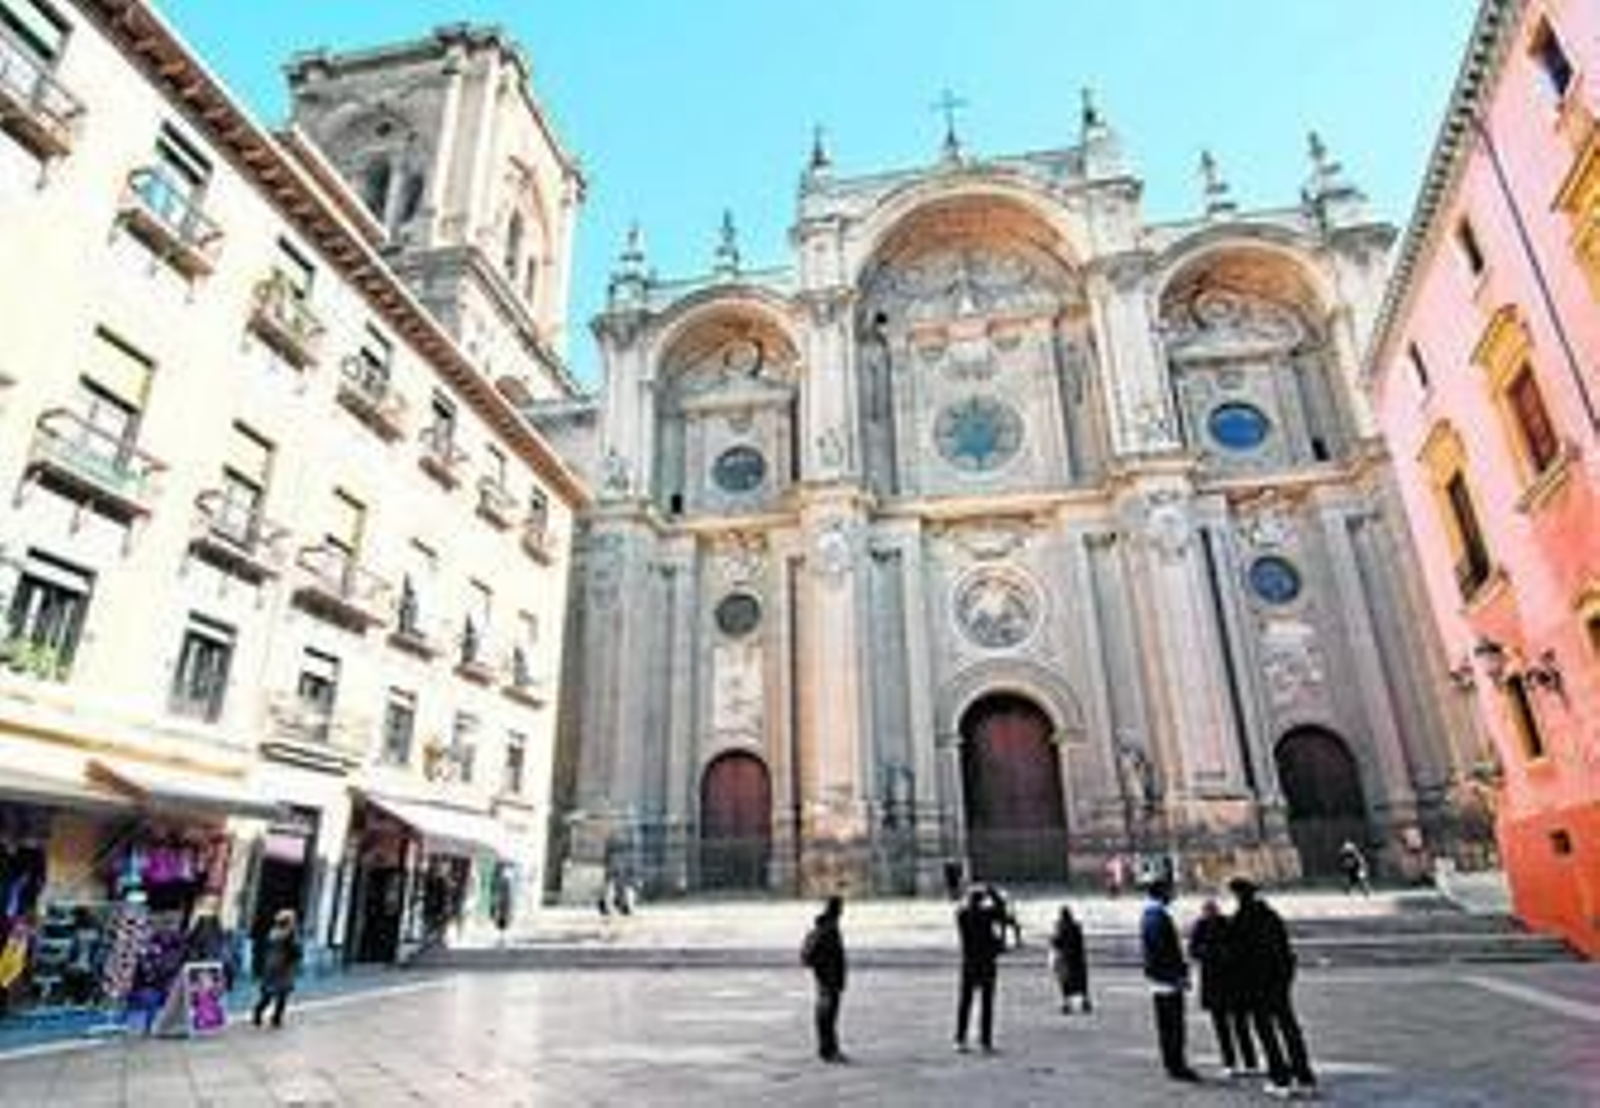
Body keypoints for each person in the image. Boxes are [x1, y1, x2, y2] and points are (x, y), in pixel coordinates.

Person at [1228, 878, 1317, 1099]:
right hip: (1279, 983)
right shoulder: (1271, 916)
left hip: (1257, 986)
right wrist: (1285, 978)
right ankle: (1305, 1077)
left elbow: (1237, 959)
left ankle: (1280, 1079)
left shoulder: (1240, 921)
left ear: (1238, 896)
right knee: (1289, 1028)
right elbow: (1286, 951)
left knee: (1267, 1033)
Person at [1188, 897, 1258, 1078]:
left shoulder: (1221, 924)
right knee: (1229, 1026)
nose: (1210, 912)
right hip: (1219, 982)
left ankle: (1245, 1062)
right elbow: (1193, 951)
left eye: (1211, 909)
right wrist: (1213, 954)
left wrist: (1215, 954)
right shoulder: (1202, 926)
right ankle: (1234, 1062)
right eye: (1207, 910)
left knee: (1237, 1025)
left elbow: (1195, 951)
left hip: (1226, 982)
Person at [1141, 878, 1200, 1083]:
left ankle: (1172, 1063)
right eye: (1170, 891)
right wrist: (1178, 977)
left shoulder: (1150, 915)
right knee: (1174, 1026)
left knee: (1167, 1026)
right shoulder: (1158, 916)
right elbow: (1163, 952)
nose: (1173, 895)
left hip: (1159, 980)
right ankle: (1177, 1065)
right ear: (1162, 893)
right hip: (1167, 980)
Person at [954, 887, 1005, 1053]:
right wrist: (991, 892)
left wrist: (968, 895)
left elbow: (959, 907)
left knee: (965, 1003)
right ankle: (985, 1041)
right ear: (982, 901)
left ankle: (960, 1039)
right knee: (987, 1004)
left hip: (969, 963)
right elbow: (1001, 909)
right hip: (987, 963)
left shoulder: (963, 916)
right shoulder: (987, 915)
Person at [799, 895, 848, 1063]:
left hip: (825, 980)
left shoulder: (826, 926)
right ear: (837, 909)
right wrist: (829, 972)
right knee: (827, 1018)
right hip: (829, 980)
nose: (843, 910)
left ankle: (826, 1050)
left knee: (825, 1017)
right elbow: (832, 956)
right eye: (841, 907)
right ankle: (829, 1051)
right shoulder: (829, 929)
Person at [252, 909, 302, 1030]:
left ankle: (258, 1013)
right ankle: (276, 1019)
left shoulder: (272, 933)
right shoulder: (290, 934)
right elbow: (296, 952)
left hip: (270, 965)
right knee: (282, 995)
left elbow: (264, 950)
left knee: (268, 993)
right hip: (283, 967)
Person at [1048, 905, 1091, 1014]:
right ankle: (1085, 1002)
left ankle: (1067, 1004)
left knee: (1066, 983)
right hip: (1077, 959)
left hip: (1066, 959)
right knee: (1081, 984)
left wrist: (1052, 942)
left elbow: (1056, 942)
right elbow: (1081, 943)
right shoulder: (1076, 926)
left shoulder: (1060, 927)